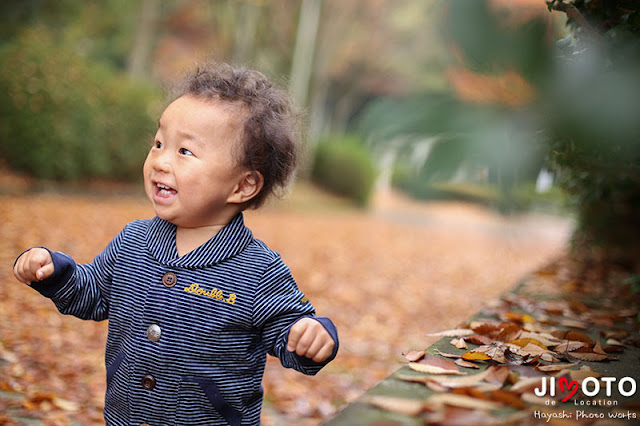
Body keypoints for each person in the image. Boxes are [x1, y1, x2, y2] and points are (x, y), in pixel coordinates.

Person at [13, 61, 338, 425]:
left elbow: (287, 327)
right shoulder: (133, 242)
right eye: (158, 143)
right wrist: (54, 272)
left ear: (243, 186)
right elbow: (92, 293)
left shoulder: (258, 270)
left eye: (185, 152)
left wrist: (310, 337)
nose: (160, 161)